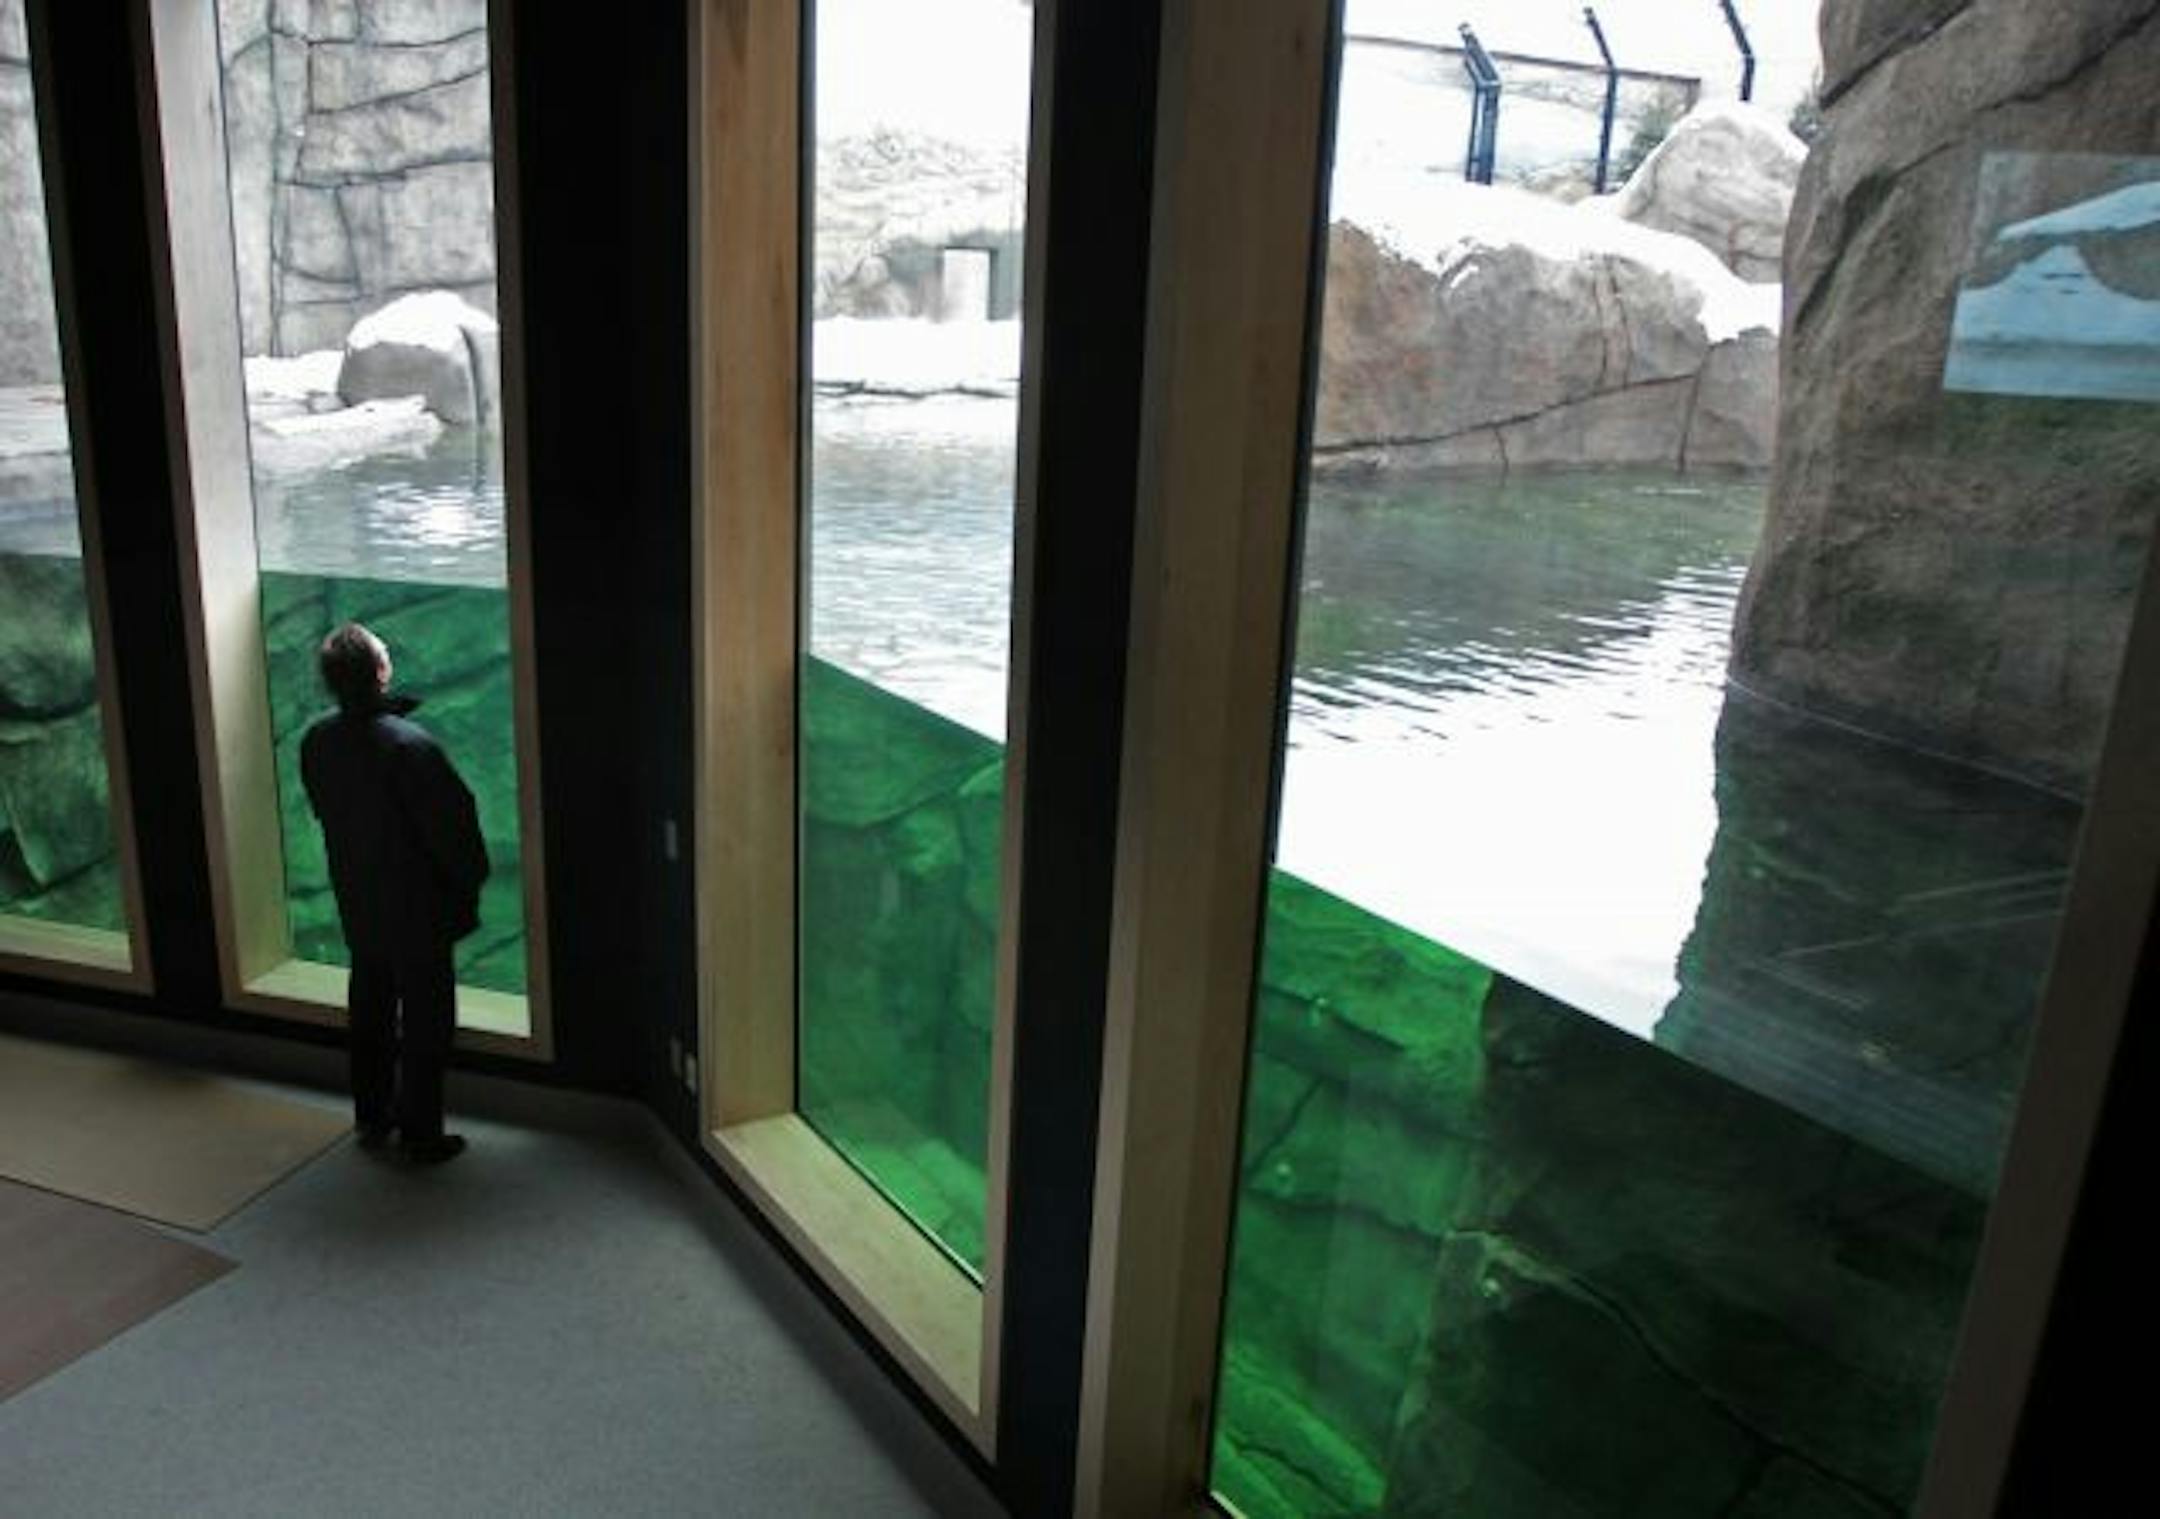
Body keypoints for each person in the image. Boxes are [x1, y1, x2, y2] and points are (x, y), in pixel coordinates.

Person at [300, 622, 489, 1164]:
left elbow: (326, 811)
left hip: (359, 900)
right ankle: (422, 1132)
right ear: (381, 673)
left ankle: (372, 1115)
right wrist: (467, 884)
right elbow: (456, 834)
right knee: (427, 1021)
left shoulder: (317, 740)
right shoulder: (412, 747)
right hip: (419, 910)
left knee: (370, 1007)